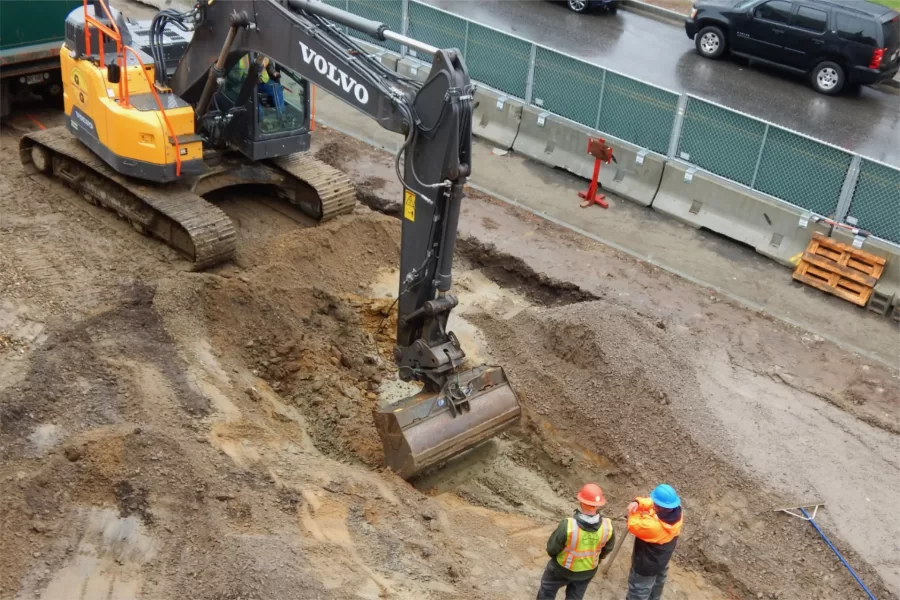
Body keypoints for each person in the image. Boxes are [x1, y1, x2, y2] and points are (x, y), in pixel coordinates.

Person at [537, 483, 616, 600]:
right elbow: (607, 549)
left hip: (561, 569)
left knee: (547, 590)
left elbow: (552, 549)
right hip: (587, 571)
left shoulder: (568, 525)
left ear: (581, 502)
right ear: (598, 505)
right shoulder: (608, 526)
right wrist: (596, 560)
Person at [625, 484, 683, 600]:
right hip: (662, 561)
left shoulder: (653, 527)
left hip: (646, 566)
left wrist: (633, 512)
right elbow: (652, 503)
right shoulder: (677, 513)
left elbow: (632, 524)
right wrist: (638, 502)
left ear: (659, 507)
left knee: (638, 592)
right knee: (656, 587)